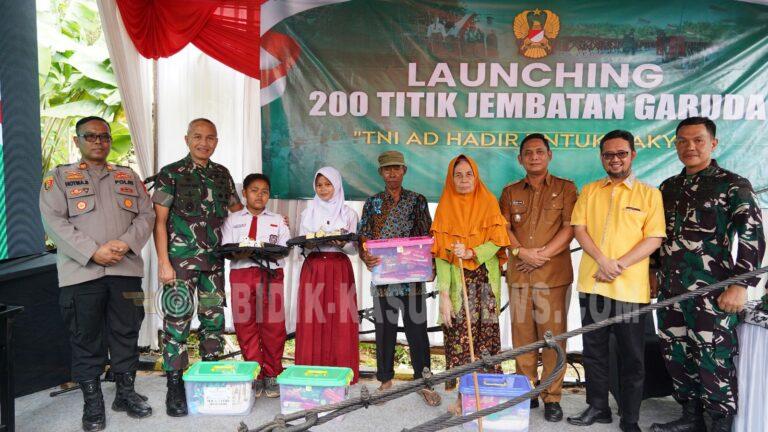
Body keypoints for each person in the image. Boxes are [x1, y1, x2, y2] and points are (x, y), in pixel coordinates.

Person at [650, 117, 765, 432]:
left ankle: (718, 424)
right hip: (671, 292)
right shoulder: (668, 188)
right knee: (676, 354)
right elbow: (656, 235)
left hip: (713, 292)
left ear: (713, 144)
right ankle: (691, 418)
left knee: (713, 358)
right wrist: (652, 270)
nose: (690, 147)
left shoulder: (733, 185)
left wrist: (741, 285)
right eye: (683, 141)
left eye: (698, 140)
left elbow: (752, 236)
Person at [39, 116, 155, 431]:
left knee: (127, 333)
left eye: (104, 136)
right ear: (77, 141)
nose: (98, 141)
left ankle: (125, 394)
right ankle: (93, 403)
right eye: (90, 136)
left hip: (126, 271)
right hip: (81, 273)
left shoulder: (128, 176)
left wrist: (126, 242)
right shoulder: (59, 178)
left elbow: (147, 214)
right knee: (85, 337)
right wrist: (93, 251)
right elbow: (53, 221)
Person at [566, 130, 666, 432]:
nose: (615, 159)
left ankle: (630, 417)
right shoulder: (590, 191)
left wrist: (618, 264)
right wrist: (603, 260)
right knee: (594, 351)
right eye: (609, 154)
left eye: (621, 153)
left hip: (630, 290)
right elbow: (579, 229)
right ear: (601, 158)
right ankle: (598, 407)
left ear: (632, 155)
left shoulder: (650, 194)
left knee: (632, 356)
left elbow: (654, 238)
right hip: (593, 284)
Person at [151, 118, 242, 417]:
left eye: (210, 138)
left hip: (214, 262)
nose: (204, 143)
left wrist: (268, 222)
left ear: (217, 141)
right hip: (180, 263)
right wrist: (163, 263)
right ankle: (175, 385)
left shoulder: (222, 174)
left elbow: (238, 214)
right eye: (198, 137)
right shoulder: (170, 174)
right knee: (177, 322)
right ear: (187, 139)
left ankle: (210, 376)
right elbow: (159, 222)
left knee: (213, 319)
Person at [499, 134, 577, 422]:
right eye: (528, 153)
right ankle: (527, 391)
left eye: (539, 152)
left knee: (553, 340)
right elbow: (503, 227)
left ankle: (552, 396)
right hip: (520, 275)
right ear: (520, 159)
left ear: (549, 155)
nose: (534, 157)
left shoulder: (566, 188)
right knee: (523, 339)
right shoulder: (509, 192)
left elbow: (570, 228)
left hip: (552, 276)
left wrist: (540, 255)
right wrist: (521, 252)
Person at [358, 150, 441, 406]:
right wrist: (365, 256)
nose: (392, 173)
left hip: (412, 278)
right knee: (384, 331)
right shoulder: (372, 203)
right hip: (384, 279)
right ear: (380, 173)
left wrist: (430, 266)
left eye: (396, 168)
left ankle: (424, 381)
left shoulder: (417, 201)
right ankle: (385, 381)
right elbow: (363, 236)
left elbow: (427, 237)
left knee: (418, 331)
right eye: (387, 169)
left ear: (404, 170)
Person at [431, 154, 511, 415]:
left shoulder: (488, 201)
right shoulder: (445, 207)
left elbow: (497, 240)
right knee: (460, 341)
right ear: (450, 178)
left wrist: (471, 252)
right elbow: (441, 256)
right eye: (458, 175)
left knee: (486, 341)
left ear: (476, 176)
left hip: (484, 283)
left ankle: (486, 395)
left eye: (469, 174)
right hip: (458, 286)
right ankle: (464, 397)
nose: (464, 179)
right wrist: (444, 295)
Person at [221, 173, 290, 398]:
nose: (259, 196)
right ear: (244, 193)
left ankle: (273, 373)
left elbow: (284, 249)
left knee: (274, 326)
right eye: (254, 190)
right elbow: (226, 248)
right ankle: (255, 373)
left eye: (264, 192)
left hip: (271, 275)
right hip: (242, 275)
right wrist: (243, 251)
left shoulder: (278, 220)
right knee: (245, 325)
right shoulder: (232, 220)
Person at [294, 167, 361, 382]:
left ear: (337, 185)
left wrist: (341, 243)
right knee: (312, 317)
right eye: (319, 185)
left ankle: (340, 373)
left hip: (339, 268)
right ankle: (310, 372)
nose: (323, 189)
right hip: (313, 268)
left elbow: (354, 249)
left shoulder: (349, 214)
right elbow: (301, 246)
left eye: (328, 184)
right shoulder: (307, 213)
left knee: (341, 318)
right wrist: (309, 243)